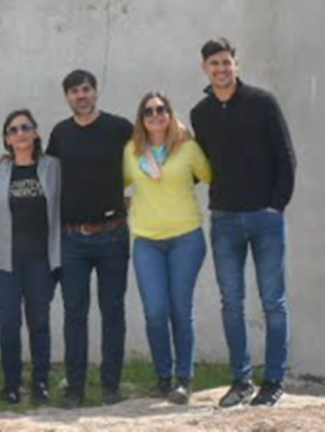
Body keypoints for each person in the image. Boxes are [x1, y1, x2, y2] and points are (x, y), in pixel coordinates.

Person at [189, 38, 297, 408]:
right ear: (204, 69)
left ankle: (274, 382)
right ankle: (241, 381)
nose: (220, 69)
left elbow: (286, 157)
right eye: (213, 64)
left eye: (225, 62)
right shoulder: (199, 113)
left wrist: (276, 206)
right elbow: (200, 167)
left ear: (236, 64)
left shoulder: (262, 102)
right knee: (231, 302)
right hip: (224, 220)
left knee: (272, 301)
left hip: (265, 219)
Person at [47, 69, 133, 406]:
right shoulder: (60, 133)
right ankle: (75, 389)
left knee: (113, 312)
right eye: (74, 92)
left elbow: (148, 156)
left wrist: (134, 194)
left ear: (95, 92)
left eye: (86, 89)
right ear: (67, 97)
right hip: (73, 240)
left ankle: (111, 386)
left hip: (112, 236)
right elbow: (45, 171)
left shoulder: (119, 127)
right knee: (74, 313)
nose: (81, 96)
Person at [123, 91, 210, 405]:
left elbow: (210, 175)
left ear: (171, 114)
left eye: (162, 109)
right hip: (147, 241)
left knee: (180, 308)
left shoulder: (187, 148)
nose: (155, 114)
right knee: (156, 312)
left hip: (186, 238)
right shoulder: (131, 152)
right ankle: (163, 377)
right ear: (141, 118)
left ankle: (183, 380)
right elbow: (110, 185)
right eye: (149, 110)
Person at [0, 109, 62, 406]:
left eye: (25, 127)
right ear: (6, 139)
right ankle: (11, 385)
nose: (20, 133)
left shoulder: (53, 167)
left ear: (36, 132)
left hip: (40, 260)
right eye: (13, 130)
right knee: (8, 323)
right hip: (4, 261)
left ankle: (40, 383)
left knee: (39, 322)